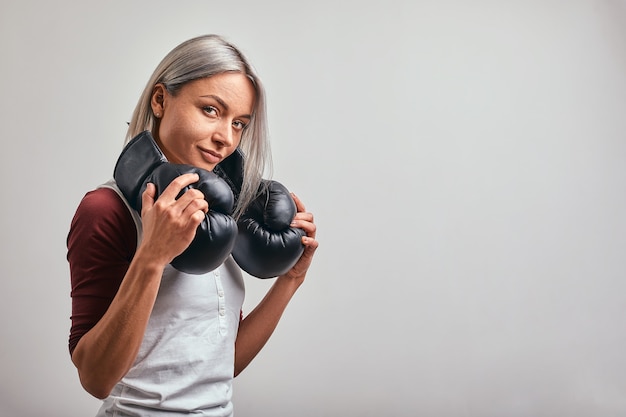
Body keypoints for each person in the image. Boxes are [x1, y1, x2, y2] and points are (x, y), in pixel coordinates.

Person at [67, 34, 318, 417]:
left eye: (239, 123)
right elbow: (95, 378)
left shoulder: (224, 212)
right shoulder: (107, 209)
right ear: (161, 100)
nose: (225, 138)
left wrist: (290, 280)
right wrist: (152, 256)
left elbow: (219, 367)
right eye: (211, 110)